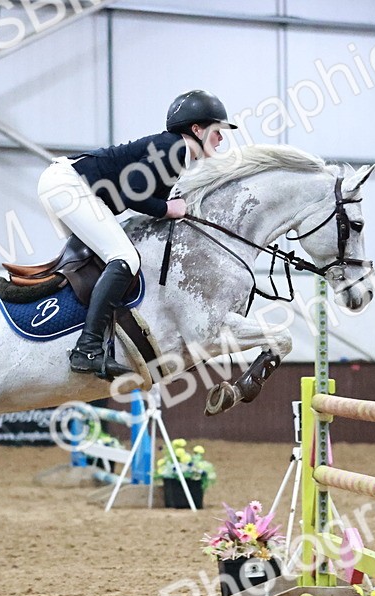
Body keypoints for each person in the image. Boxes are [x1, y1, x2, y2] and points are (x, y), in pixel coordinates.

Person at [37, 89, 237, 380]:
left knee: (110, 255)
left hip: (67, 184)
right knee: (125, 257)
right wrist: (168, 208)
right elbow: (132, 194)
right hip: (68, 185)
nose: (222, 139)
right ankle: (87, 348)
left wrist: (167, 207)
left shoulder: (175, 152)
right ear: (197, 129)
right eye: (218, 131)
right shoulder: (176, 149)